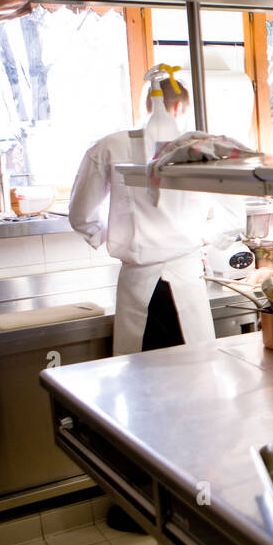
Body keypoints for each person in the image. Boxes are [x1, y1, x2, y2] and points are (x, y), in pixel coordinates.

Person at [69, 67, 242, 355]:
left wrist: (108, 235)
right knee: (195, 376)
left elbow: (80, 215)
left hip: (136, 279)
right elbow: (233, 217)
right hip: (185, 277)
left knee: (142, 383)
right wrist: (207, 237)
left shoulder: (109, 147)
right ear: (178, 107)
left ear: (150, 105)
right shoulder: (201, 148)